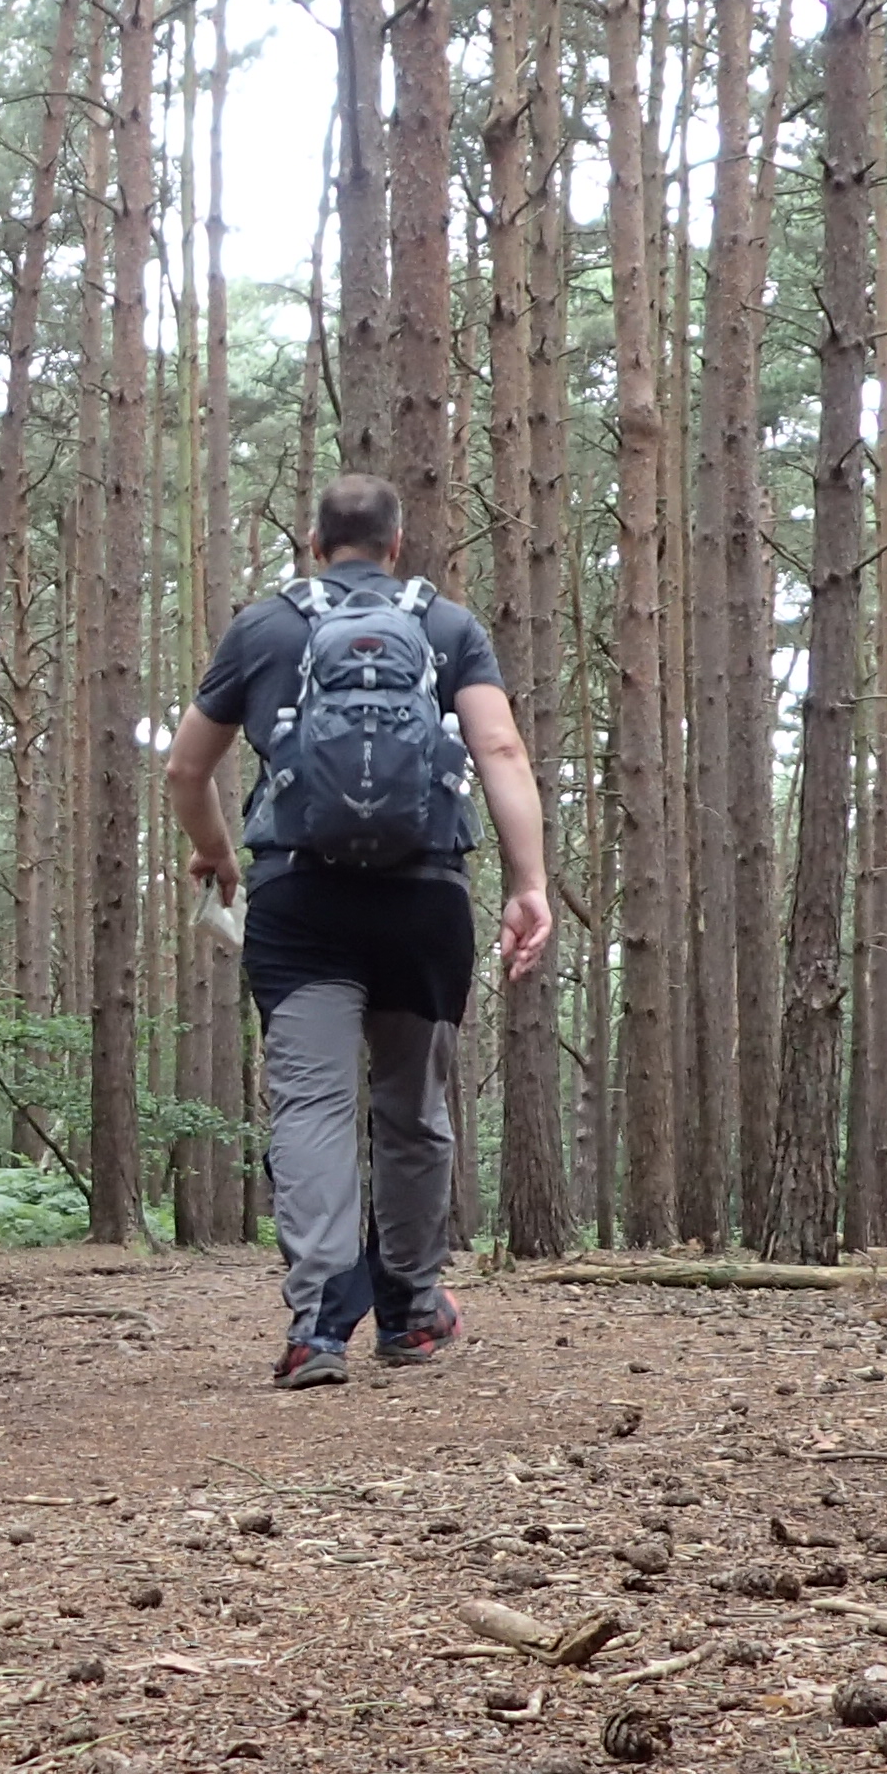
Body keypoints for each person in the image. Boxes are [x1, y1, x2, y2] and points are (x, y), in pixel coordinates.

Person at [162, 470, 553, 1388]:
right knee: (412, 1110)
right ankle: (413, 1311)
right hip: (425, 901)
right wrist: (527, 882)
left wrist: (218, 853)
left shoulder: (264, 627)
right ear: (398, 544)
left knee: (312, 1110)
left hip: (302, 901)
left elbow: (186, 770)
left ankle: (316, 1326)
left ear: (313, 542)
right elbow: (498, 748)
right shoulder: (447, 627)